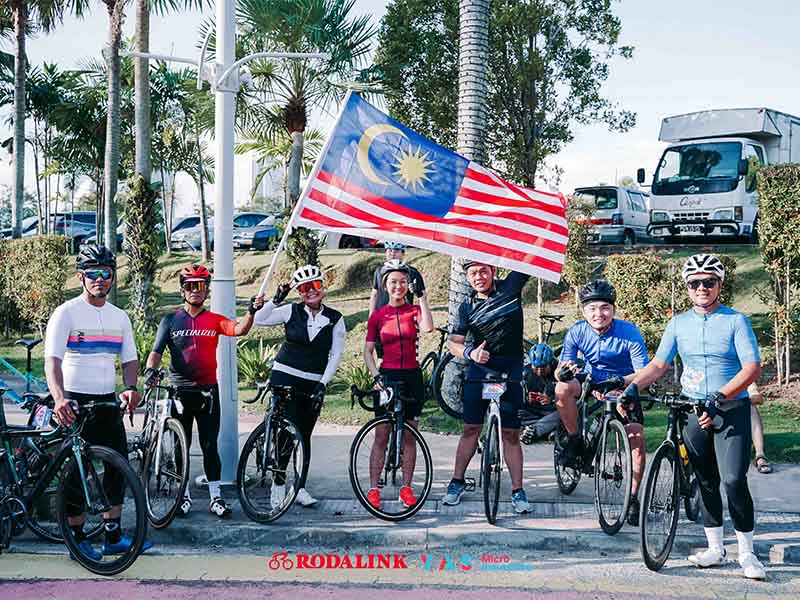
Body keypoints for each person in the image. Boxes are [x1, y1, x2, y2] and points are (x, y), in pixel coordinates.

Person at [623, 254, 766, 580]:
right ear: (687, 288)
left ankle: (748, 552)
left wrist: (720, 396)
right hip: (692, 408)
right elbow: (659, 365)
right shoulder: (678, 323)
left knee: (732, 480)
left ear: (720, 285)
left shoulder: (735, 321)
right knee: (705, 481)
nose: (702, 288)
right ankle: (715, 548)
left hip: (729, 409)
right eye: (695, 283)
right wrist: (632, 387)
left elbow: (751, 367)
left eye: (709, 282)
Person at [44, 244, 152, 559]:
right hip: (75, 401)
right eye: (93, 274)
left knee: (118, 466)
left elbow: (129, 359)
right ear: (81, 277)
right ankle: (76, 536)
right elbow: (52, 361)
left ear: (112, 278)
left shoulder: (120, 317)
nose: (100, 280)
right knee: (78, 471)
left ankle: (113, 535)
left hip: (106, 401)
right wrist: (60, 398)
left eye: (106, 273)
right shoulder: (66, 312)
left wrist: (131, 387)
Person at [145, 264, 264, 518]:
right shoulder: (171, 320)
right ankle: (183, 496)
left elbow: (239, 329)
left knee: (210, 446)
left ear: (207, 289)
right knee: (181, 447)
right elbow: (156, 352)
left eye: (200, 285)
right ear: (182, 290)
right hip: (180, 392)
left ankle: (215, 497)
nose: (195, 291)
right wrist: (150, 370)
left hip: (208, 393)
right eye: (190, 286)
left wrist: (252, 311)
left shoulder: (214, 320)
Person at [554, 280, 649, 526]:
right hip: (590, 381)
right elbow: (563, 366)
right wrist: (562, 373)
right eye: (592, 308)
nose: (599, 314)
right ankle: (575, 440)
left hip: (624, 384)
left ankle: (633, 497)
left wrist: (623, 385)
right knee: (561, 388)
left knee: (636, 438)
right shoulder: (576, 331)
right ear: (584, 311)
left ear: (613, 310)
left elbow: (644, 373)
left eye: (605, 307)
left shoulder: (629, 332)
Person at [442, 260, 532, 514]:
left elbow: (529, 256)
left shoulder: (510, 288)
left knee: (511, 435)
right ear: (468, 277)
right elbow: (454, 343)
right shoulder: (466, 306)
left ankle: (517, 490)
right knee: (471, 429)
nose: (478, 276)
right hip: (479, 370)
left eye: (483, 271)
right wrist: (470, 353)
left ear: (493, 271)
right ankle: (457, 482)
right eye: (472, 273)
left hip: (511, 370)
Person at [253, 264, 346, 508]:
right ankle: (279, 484)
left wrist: (323, 383)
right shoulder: (290, 310)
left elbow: (335, 354)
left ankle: (300, 486)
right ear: (299, 292)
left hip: (312, 382)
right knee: (285, 433)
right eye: (304, 288)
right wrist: (276, 298)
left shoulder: (335, 319)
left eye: (315, 286)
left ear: (323, 287)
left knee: (304, 435)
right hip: (285, 376)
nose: (310, 292)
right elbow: (260, 319)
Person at [363, 260, 434, 509]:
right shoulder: (377, 316)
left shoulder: (413, 310)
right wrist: (376, 377)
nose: (398, 286)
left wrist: (422, 296)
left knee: (410, 436)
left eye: (403, 282)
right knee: (381, 434)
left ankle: (406, 488)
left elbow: (428, 327)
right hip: (387, 377)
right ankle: (373, 489)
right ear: (385, 286)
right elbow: (368, 352)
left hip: (412, 376)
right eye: (393, 282)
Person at [368, 242, 426, 315]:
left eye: (396, 250)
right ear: (385, 253)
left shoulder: (412, 272)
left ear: (403, 253)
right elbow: (374, 294)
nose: (392, 253)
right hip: (382, 314)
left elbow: (422, 295)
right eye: (389, 250)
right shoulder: (379, 271)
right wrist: (371, 314)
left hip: (403, 314)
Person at [520, 343, 561, 445]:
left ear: (551, 363)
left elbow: (572, 399)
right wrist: (526, 398)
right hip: (532, 413)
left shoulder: (559, 373)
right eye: (535, 367)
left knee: (565, 414)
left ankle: (534, 431)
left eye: (543, 367)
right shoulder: (526, 372)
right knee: (511, 412)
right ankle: (546, 431)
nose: (539, 371)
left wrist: (551, 400)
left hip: (551, 412)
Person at [749, 382, 772, 474]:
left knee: (752, 409)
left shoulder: (740, 372)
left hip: (736, 410)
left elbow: (758, 398)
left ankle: (760, 455)